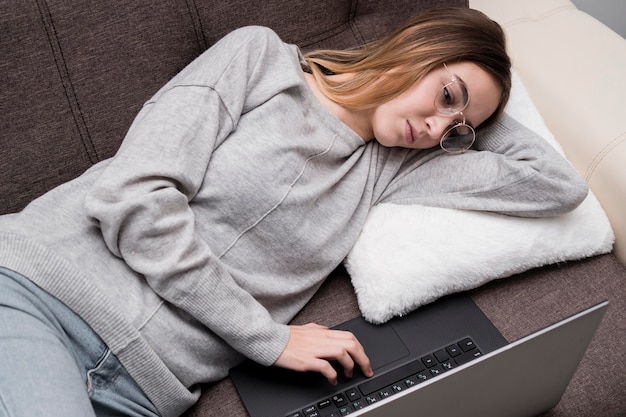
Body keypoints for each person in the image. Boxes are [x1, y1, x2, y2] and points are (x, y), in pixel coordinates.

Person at [0, 7, 588, 417]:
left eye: (455, 131)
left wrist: (480, 105)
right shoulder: (261, 60)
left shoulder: (396, 166)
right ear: (417, 50)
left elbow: (554, 186)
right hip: (37, 293)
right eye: (445, 95)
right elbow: (134, 197)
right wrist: (269, 338)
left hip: (145, 391)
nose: (436, 127)